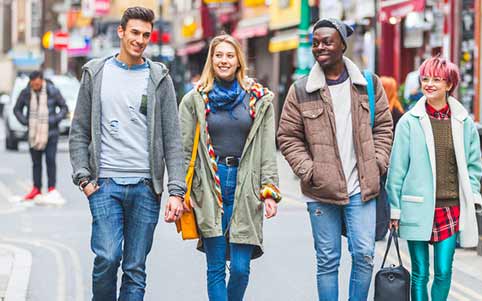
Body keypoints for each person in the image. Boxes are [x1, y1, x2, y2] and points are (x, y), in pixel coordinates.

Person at [68, 7, 187, 300]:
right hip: (105, 184)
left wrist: (176, 191)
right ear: (121, 32)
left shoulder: (160, 77)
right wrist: (84, 179)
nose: (140, 40)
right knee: (107, 258)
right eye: (135, 32)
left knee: (135, 268)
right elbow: (79, 131)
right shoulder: (95, 73)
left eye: (146, 35)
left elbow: (173, 139)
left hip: (146, 188)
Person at [277, 18, 393, 301]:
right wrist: (309, 171)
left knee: (364, 255)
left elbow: (384, 127)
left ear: (342, 44)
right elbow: (288, 136)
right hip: (321, 191)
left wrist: (377, 164)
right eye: (316, 43)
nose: (320, 47)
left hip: (361, 188)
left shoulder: (368, 84)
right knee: (328, 260)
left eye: (327, 41)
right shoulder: (301, 89)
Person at [178, 34, 281, 301]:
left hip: (247, 183)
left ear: (238, 61)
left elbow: (267, 149)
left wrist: (269, 190)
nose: (224, 60)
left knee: (240, 269)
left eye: (229, 55)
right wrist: (180, 192)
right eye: (218, 55)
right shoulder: (195, 99)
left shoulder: (259, 99)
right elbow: (184, 149)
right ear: (211, 60)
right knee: (215, 269)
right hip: (210, 184)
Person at [386, 56, 482, 301]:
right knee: (420, 273)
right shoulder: (409, 122)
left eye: (436, 80)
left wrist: (472, 196)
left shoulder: (464, 123)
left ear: (449, 85)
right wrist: (395, 209)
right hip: (416, 206)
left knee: (443, 271)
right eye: (425, 79)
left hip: (450, 208)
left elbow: (474, 166)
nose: (429, 84)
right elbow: (397, 169)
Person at [13, 70, 68, 202]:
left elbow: (64, 108)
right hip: (33, 134)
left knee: (50, 161)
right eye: (33, 85)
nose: (35, 87)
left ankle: (51, 189)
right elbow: (17, 109)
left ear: (42, 80)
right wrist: (26, 121)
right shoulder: (26, 92)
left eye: (37, 84)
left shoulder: (52, 90)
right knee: (36, 163)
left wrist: (54, 120)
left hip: (51, 133)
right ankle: (36, 188)